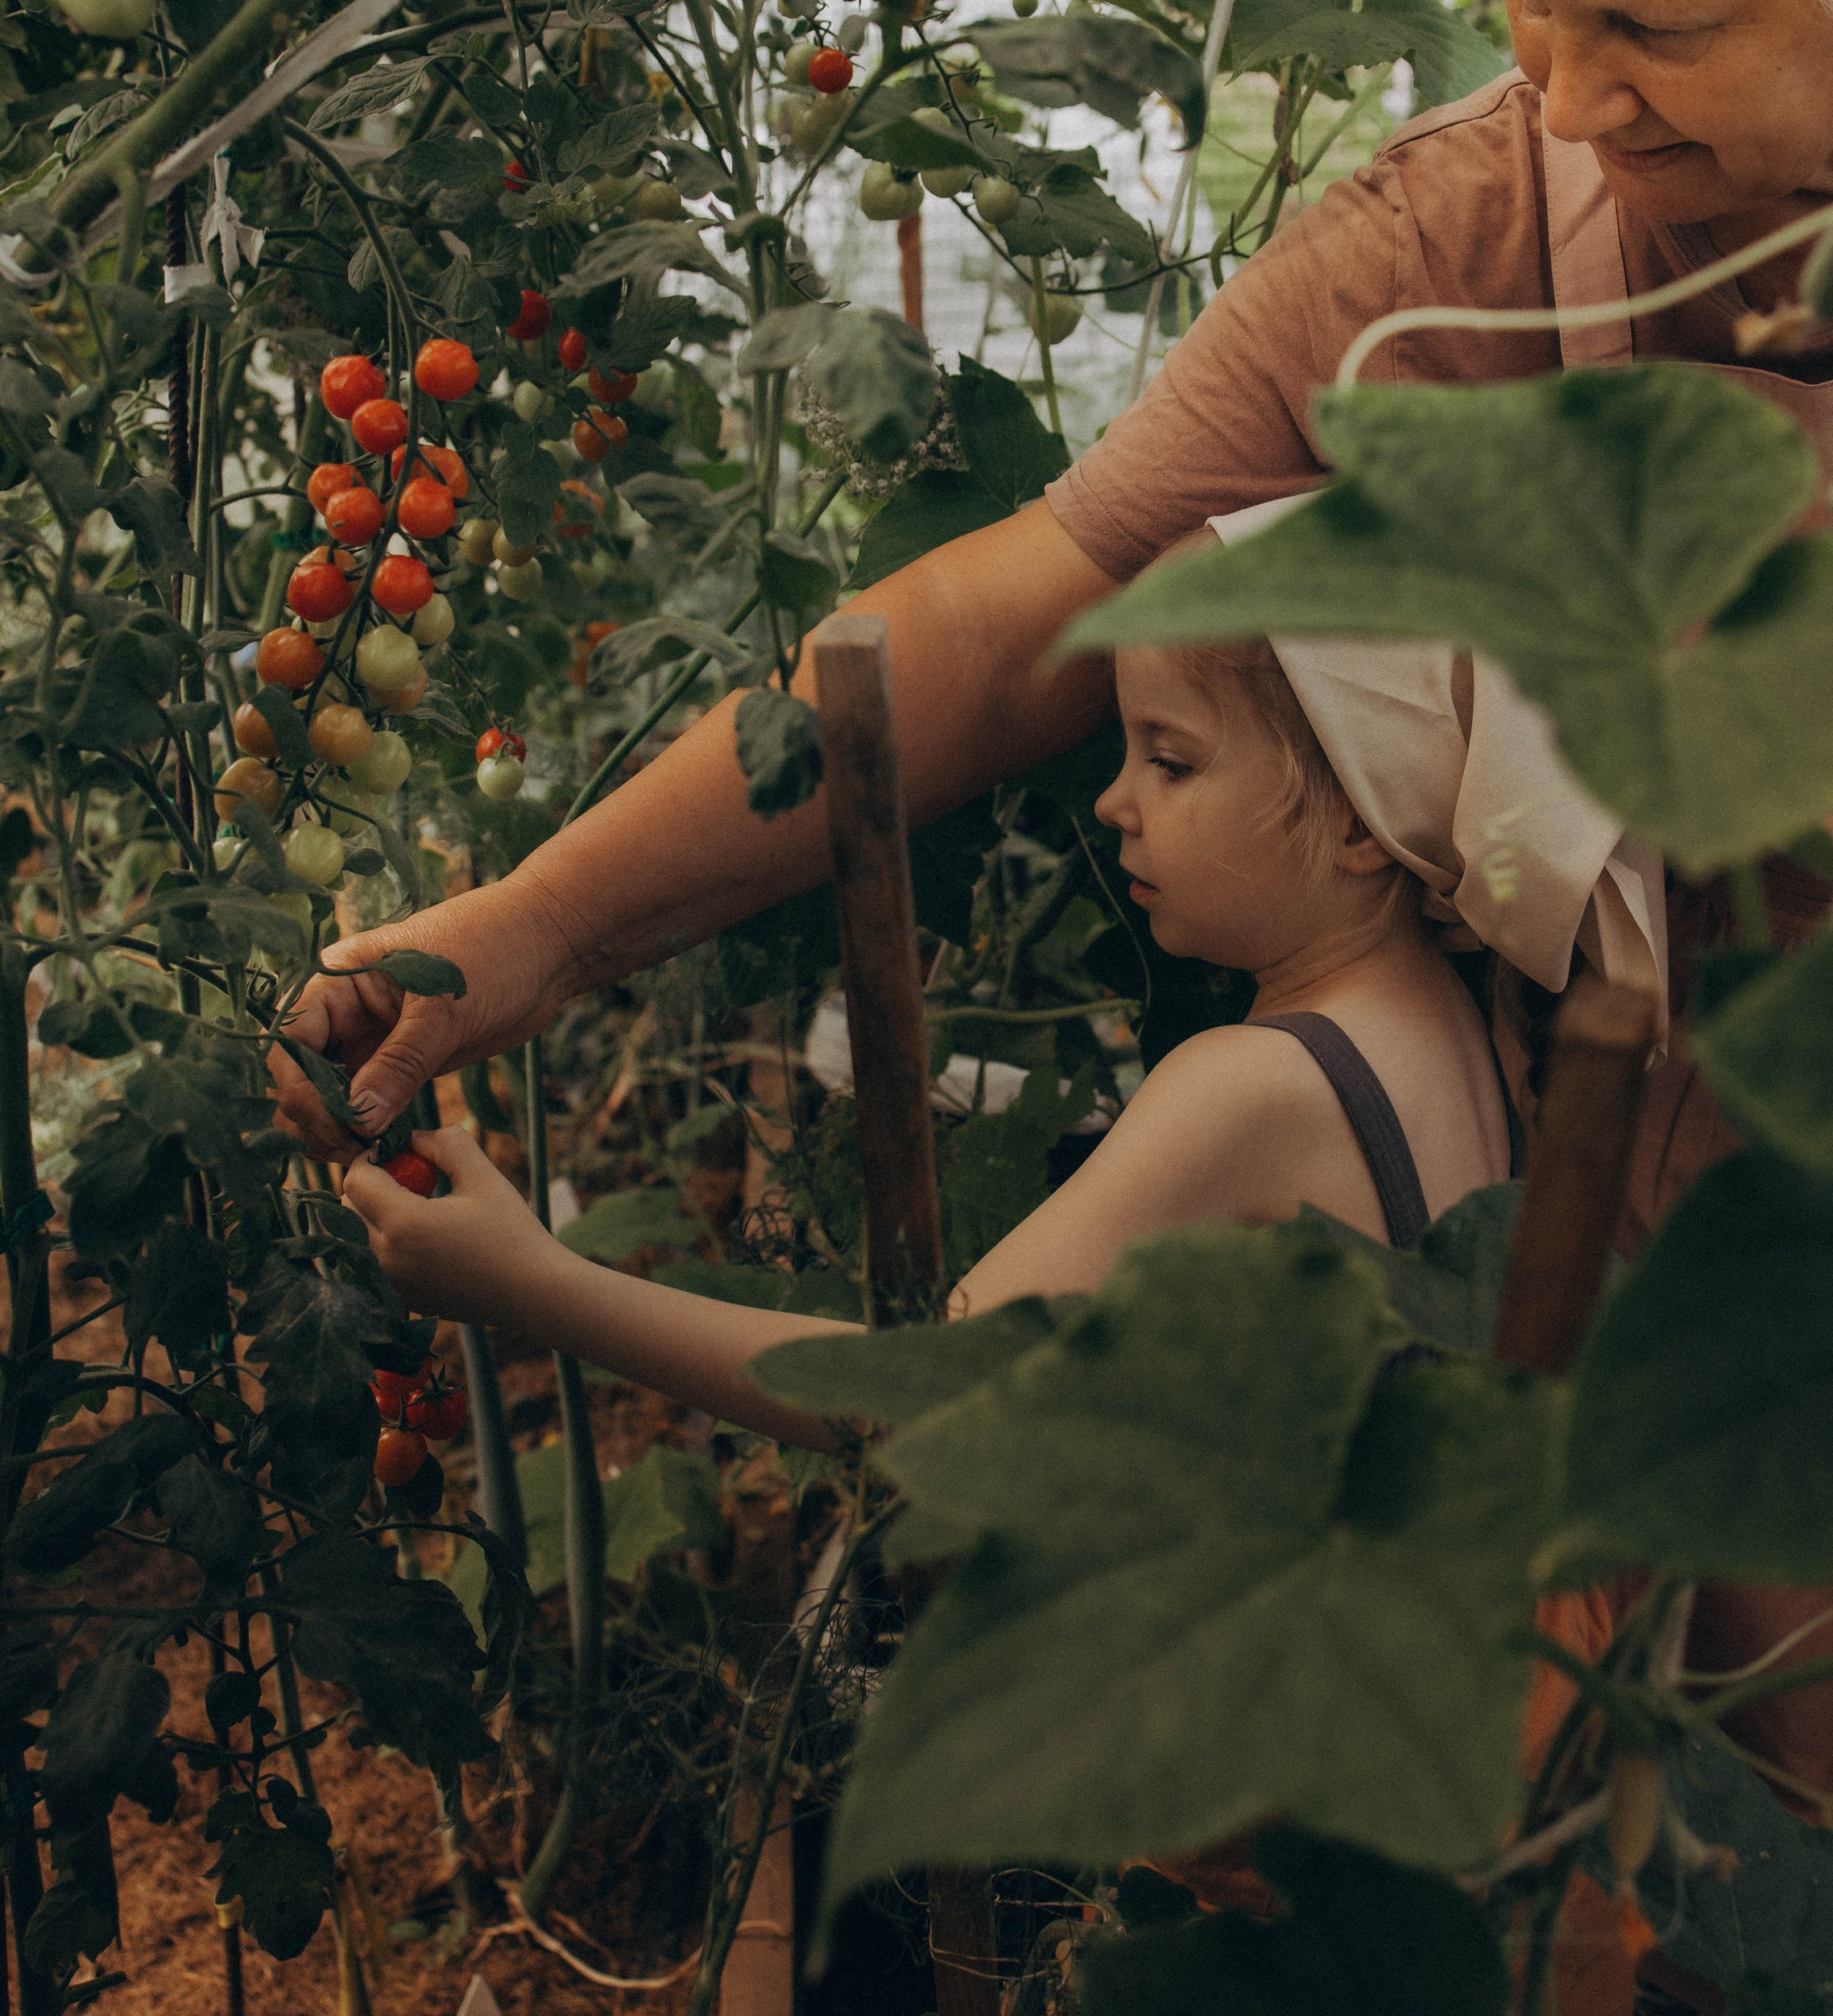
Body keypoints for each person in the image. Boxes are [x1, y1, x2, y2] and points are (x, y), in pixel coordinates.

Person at [289, 0, 1833, 1994]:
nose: (1561, 94)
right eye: (1522, 2)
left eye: (1649, 21)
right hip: (1655, 1289)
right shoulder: (1492, 224)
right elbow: (1026, 610)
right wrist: (545, 926)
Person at [346, 589, 1651, 1434]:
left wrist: (531, 1283)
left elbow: (911, 1407)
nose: (1114, 801)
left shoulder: (1253, 1088)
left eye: (1173, 760)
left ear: (1367, 821)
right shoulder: (1467, 1015)